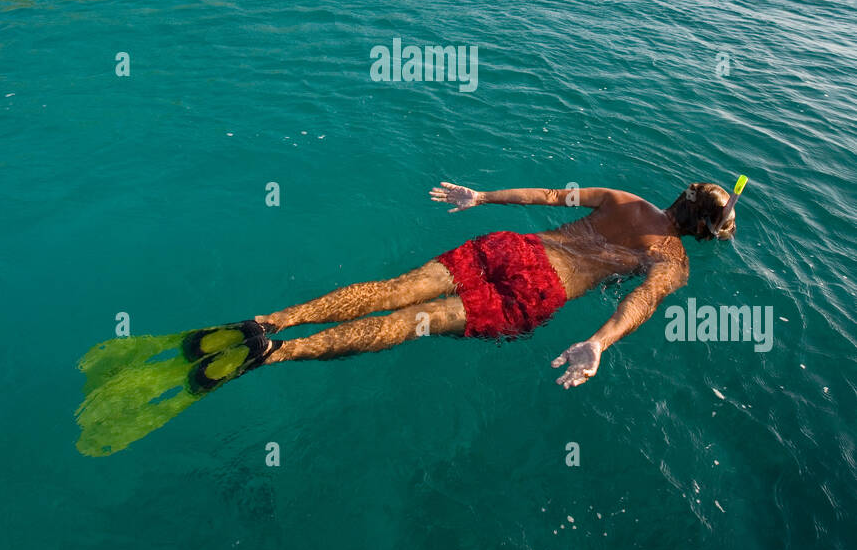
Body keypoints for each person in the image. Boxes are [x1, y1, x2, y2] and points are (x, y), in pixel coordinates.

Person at [240, 178, 743, 390]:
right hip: (539, 290)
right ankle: (279, 353)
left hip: (519, 247)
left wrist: (482, 196)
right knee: (417, 320)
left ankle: (272, 320)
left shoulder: (623, 199)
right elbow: (644, 298)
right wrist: (599, 342)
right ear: (704, 231)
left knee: (396, 288)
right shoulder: (672, 258)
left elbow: (548, 196)